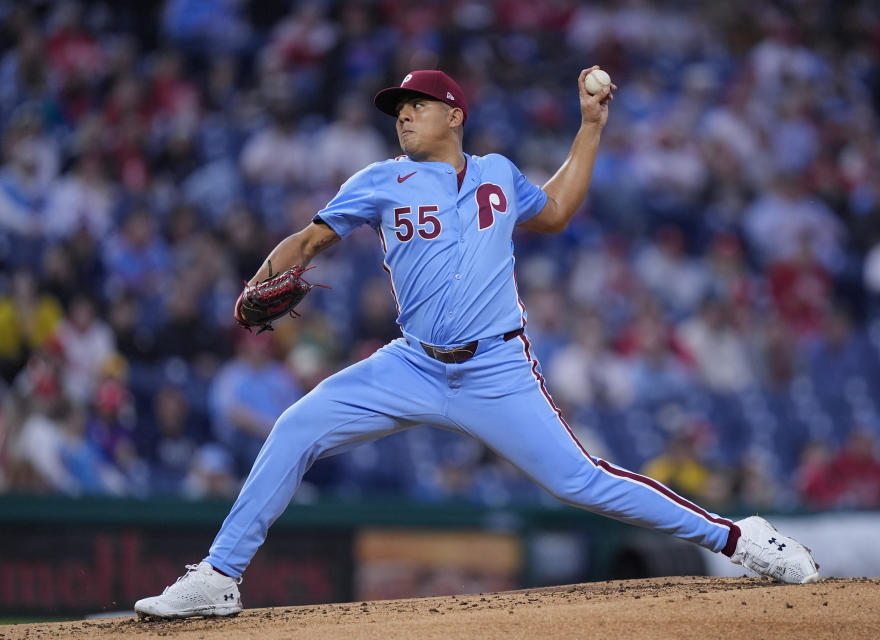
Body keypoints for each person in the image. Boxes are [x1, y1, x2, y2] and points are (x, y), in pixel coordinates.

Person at [135, 68, 818, 619]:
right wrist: (259, 279)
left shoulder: (496, 173)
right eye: (397, 107)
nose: (402, 114)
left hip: (497, 367)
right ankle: (219, 576)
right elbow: (310, 240)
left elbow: (553, 211)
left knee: (581, 480)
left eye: (418, 104)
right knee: (295, 427)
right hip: (411, 364)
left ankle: (740, 538)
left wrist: (589, 127)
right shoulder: (380, 179)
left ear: (454, 114)